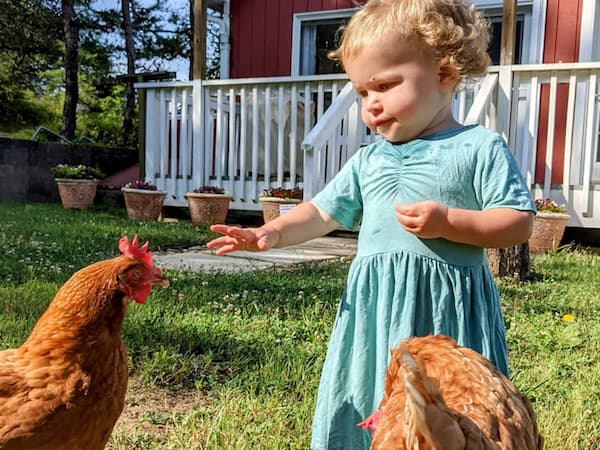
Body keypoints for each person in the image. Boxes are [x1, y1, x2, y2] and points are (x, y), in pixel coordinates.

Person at [207, 0, 536, 448]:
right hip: (374, 310)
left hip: (445, 313)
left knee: (452, 414)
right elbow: (323, 211)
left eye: (384, 85)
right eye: (362, 92)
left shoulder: (479, 147)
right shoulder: (369, 159)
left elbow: (517, 223)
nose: (371, 105)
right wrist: (271, 233)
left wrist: (450, 221)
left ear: (444, 74)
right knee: (367, 394)